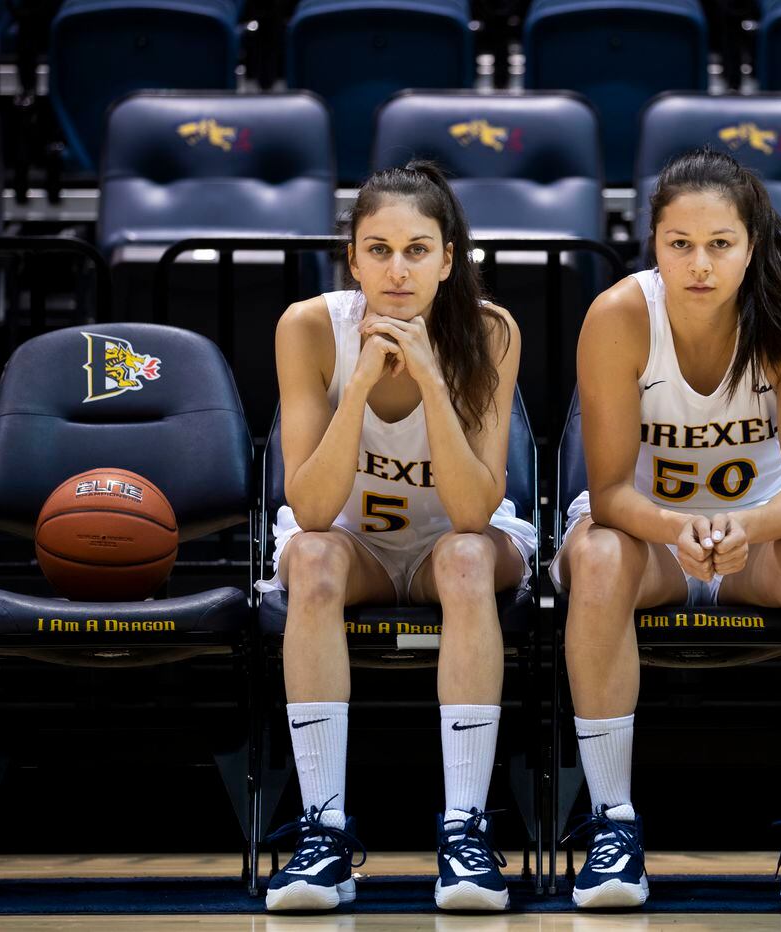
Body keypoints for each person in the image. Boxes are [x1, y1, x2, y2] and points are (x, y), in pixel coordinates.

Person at [551, 147, 781, 910]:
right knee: (597, 556)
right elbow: (607, 491)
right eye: (679, 243)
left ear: (751, 245)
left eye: (720, 243)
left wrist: (743, 528)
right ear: (653, 245)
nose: (699, 264)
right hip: (648, 540)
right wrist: (674, 529)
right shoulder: (619, 316)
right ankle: (612, 825)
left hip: (760, 540)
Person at [255, 161, 535, 913]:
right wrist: (359, 386)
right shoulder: (309, 327)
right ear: (352, 259)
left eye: (417, 250)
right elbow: (313, 508)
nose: (398, 270)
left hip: (454, 543)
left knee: (468, 557)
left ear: (449, 260)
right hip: (357, 547)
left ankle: (466, 830)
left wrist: (432, 380)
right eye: (378, 250)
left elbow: (473, 510)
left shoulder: (490, 331)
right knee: (311, 557)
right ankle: (323, 832)